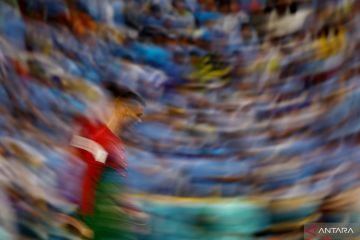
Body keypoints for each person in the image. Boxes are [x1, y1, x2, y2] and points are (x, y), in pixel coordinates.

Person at [71, 81, 145, 240]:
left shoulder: (116, 143)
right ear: (123, 108)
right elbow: (90, 178)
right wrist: (85, 218)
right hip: (101, 219)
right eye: (137, 114)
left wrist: (130, 207)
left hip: (113, 217)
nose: (138, 120)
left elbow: (117, 181)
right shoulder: (101, 140)